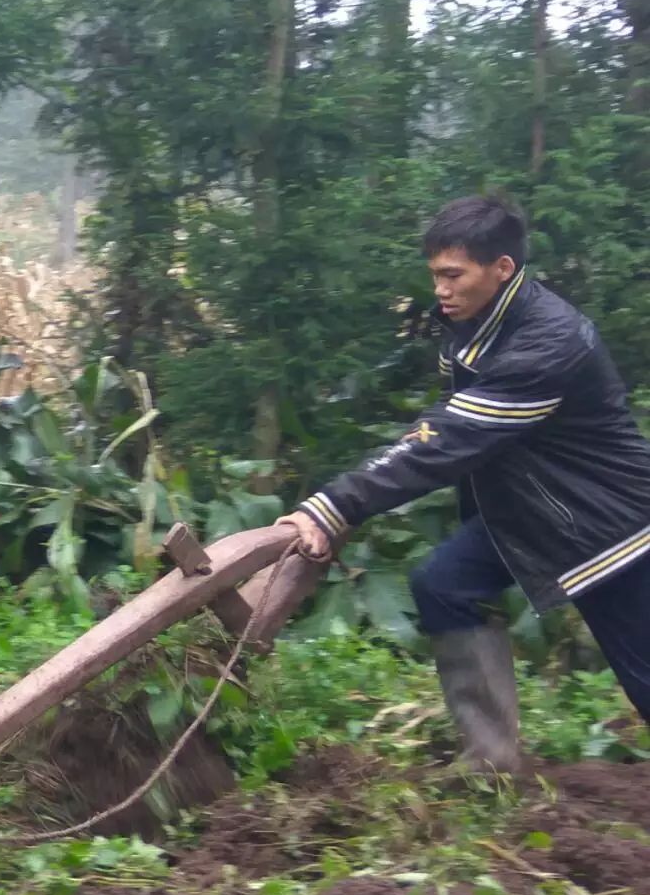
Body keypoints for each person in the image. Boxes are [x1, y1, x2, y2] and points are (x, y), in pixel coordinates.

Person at [277, 195, 650, 773]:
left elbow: (452, 435)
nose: (441, 290)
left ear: (503, 268)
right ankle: (491, 758)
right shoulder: (481, 325)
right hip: (530, 514)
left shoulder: (551, 341)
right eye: (435, 276)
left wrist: (336, 504)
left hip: (609, 525)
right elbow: (447, 425)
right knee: (444, 584)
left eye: (454, 275)